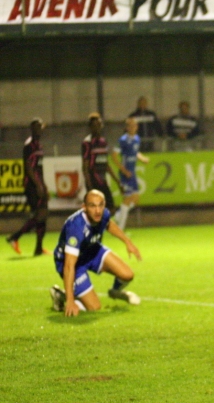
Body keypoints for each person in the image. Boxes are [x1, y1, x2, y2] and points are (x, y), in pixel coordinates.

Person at [49, 190, 142, 317]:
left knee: (127, 275)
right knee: (94, 307)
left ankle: (115, 291)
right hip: (73, 263)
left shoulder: (103, 214)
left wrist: (127, 241)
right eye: (92, 206)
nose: (98, 210)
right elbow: (69, 266)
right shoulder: (75, 227)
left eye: (100, 205)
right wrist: (70, 302)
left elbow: (109, 224)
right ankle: (62, 296)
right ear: (84, 207)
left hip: (92, 250)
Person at [6, 118, 49, 256]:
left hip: (39, 184)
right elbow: (28, 167)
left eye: (40, 126)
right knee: (40, 214)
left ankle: (38, 248)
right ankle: (15, 237)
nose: (39, 128)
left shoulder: (39, 146)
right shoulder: (29, 145)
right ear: (32, 129)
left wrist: (44, 184)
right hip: (31, 185)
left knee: (43, 214)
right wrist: (37, 185)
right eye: (36, 126)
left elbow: (39, 168)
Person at [111, 118, 149, 231]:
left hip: (132, 173)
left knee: (136, 199)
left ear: (137, 127)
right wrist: (123, 170)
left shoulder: (137, 139)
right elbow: (114, 155)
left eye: (134, 125)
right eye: (130, 126)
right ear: (127, 128)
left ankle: (118, 216)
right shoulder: (122, 140)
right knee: (127, 199)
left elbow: (135, 152)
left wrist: (142, 158)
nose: (133, 128)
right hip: (125, 173)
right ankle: (120, 228)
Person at [82, 113, 121, 213]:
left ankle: (97, 228)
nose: (97, 128)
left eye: (99, 125)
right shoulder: (87, 143)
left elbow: (106, 164)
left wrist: (117, 181)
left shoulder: (103, 142)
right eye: (94, 125)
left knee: (110, 209)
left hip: (102, 180)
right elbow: (85, 166)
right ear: (90, 127)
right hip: (93, 180)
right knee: (96, 211)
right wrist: (89, 184)